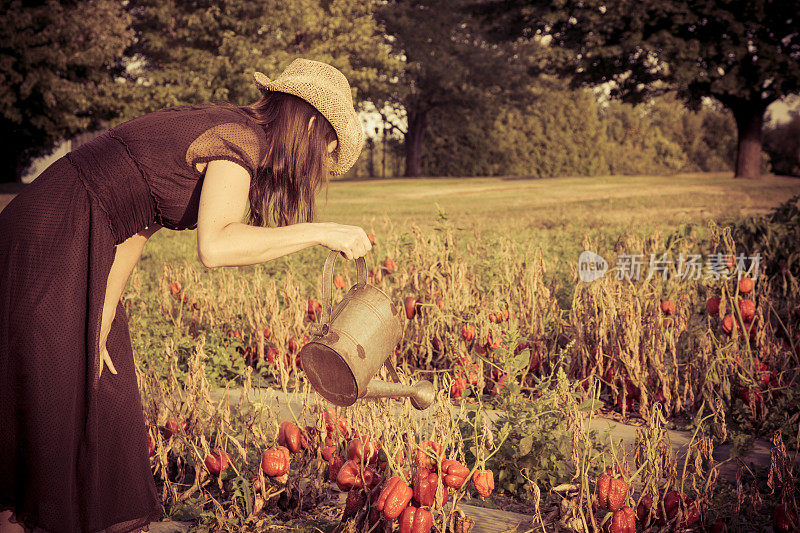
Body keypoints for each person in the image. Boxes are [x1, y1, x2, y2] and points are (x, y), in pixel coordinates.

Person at [0, 58, 372, 533]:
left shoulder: (229, 131)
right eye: (328, 147)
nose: (322, 163)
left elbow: (138, 218)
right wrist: (321, 232)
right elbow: (216, 246)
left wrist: (103, 315)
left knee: (97, 382)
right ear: (314, 122)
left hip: (81, 231)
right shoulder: (239, 140)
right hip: (54, 231)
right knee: (46, 400)